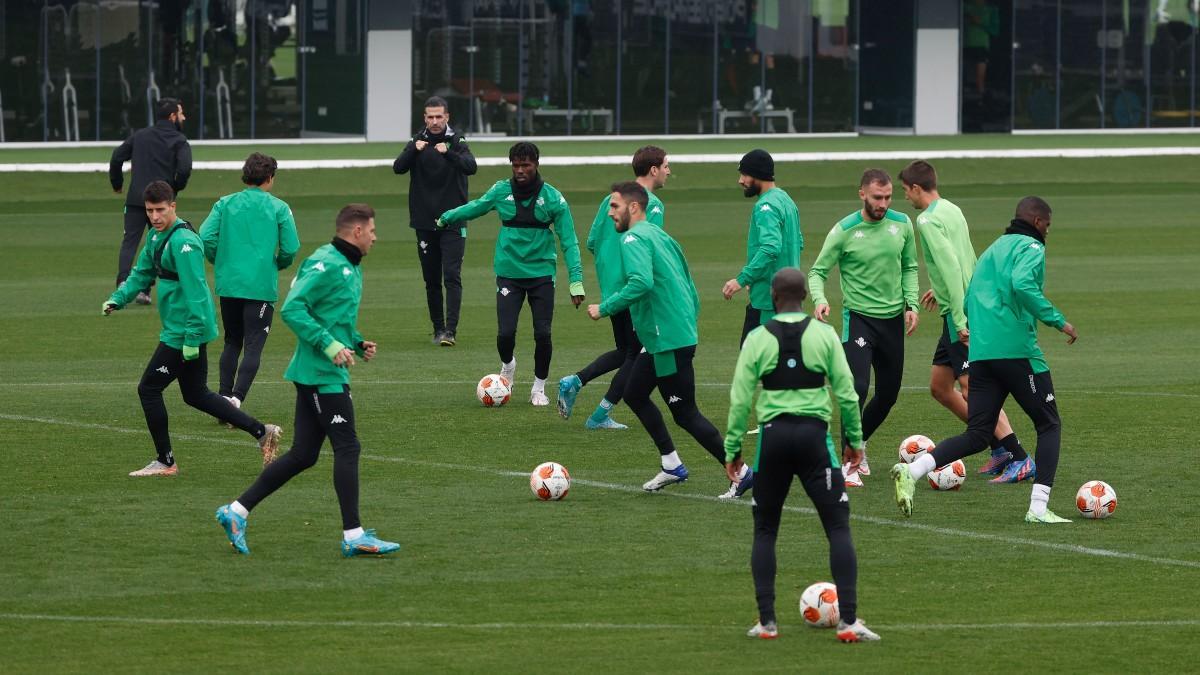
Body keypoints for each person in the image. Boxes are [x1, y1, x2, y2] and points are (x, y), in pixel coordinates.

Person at [215, 204, 402, 556]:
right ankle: (354, 535)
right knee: (348, 447)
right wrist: (329, 345)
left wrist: (355, 342)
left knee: (304, 454)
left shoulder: (349, 264)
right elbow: (293, 308)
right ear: (357, 231)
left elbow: (331, 314)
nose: (375, 237)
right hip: (321, 375)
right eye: (372, 230)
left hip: (321, 371)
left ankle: (236, 511)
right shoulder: (326, 263)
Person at [890, 197, 1078, 523]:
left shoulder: (993, 249)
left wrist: (973, 330)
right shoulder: (1032, 247)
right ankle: (1038, 508)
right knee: (1049, 424)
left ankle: (913, 471)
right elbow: (1022, 285)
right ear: (1037, 222)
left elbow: (970, 293)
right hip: (1018, 353)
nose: (1047, 232)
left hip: (981, 353)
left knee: (978, 434)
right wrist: (1058, 321)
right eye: (1047, 226)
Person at [725, 268, 879, 643]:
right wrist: (855, 441)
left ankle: (767, 622)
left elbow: (740, 398)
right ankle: (849, 622)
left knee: (765, 529)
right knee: (838, 527)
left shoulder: (758, 338)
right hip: (814, 439)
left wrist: (732, 449)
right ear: (805, 298)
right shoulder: (825, 335)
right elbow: (847, 393)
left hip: (773, 439)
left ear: (774, 297)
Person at [102, 181, 282, 477]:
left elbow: (198, 295)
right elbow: (142, 273)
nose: (155, 216)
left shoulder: (184, 243)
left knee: (148, 389)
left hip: (184, 333)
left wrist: (192, 337)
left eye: (160, 210)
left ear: (173, 206)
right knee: (196, 394)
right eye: (150, 211)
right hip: (179, 330)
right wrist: (118, 298)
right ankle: (262, 432)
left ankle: (165, 461)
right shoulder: (156, 236)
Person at [587, 182, 739, 497]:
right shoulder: (660, 235)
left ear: (633, 207)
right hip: (667, 335)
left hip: (666, 339)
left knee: (686, 413)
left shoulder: (632, 238)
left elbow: (641, 282)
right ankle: (671, 464)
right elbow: (687, 280)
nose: (609, 212)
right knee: (634, 393)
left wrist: (604, 308)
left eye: (614, 206)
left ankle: (742, 474)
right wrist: (686, 321)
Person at [899, 160, 1032, 481]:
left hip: (959, 314)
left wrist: (960, 319)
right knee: (940, 387)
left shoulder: (926, 220)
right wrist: (942, 290)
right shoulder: (952, 209)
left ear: (916, 188)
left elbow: (951, 266)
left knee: (973, 388)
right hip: (963, 303)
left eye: (905, 191)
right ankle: (998, 448)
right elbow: (966, 258)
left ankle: (1018, 456)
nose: (905, 197)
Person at [438, 142, 585, 406]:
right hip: (509, 273)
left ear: (536, 164)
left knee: (543, 334)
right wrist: (449, 216)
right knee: (505, 334)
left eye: (525, 165)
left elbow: (569, 241)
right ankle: (508, 365)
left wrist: (576, 281)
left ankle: (539, 388)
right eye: (516, 165)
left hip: (541, 273)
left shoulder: (553, 198)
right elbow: (477, 206)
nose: (520, 170)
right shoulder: (501, 190)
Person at [808, 168, 919, 487]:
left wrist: (911, 304)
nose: (883, 204)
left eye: (888, 197)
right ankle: (848, 464)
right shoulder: (844, 230)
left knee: (888, 394)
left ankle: (859, 443)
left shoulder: (902, 224)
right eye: (877, 198)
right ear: (862, 195)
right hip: (859, 320)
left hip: (892, 321)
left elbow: (910, 266)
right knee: (856, 388)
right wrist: (820, 299)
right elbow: (817, 272)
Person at [557, 146, 670, 429]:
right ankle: (599, 414)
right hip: (634, 290)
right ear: (653, 169)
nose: (669, 172)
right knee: (639, 353)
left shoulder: (611, 199)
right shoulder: (652, 205)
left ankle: (576, 382)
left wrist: (611, 269)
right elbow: (651, 248)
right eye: (666, 166)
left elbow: (592, 241)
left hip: (612, 289)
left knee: (626, 351)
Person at [200, 152, 300, 417]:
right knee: (253, 345)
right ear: (270, 178)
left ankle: (223, 396)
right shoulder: (279, 207)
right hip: (260, 285)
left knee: (232, 341)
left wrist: (219, 259)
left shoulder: (225, 203)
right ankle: (235, 401)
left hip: (230, 283)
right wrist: (278, 264)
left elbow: (205, 236)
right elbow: (291, 247)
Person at [393, 95, 478, 346]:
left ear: (447, 117)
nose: (434, 121)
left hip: (453, 220)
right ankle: (438, 329)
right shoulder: (418, 140)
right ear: (424, 118)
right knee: (431, 280)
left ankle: (450, 331)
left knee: (451, 275)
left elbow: (471, 166)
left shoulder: (456, 140)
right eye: (430, 117)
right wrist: (414, 149)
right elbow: (398, 167)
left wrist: (448, 153)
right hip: (424, 221)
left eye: (439, 116)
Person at [109, 97, 193, 304]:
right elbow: (184, 169)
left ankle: (124, 281)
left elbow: (117, 157)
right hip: (162, 202)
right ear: (172, 116)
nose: (183, 117)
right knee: (159, 242)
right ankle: (144, 290)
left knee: (130, 241)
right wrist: (175, 188)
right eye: (181, 113)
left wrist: (117, 183)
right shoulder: (179, 140)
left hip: (136, 198)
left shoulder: (140, 136)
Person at [722, 149, 802, 345]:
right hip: (789, 298)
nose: (740, 180)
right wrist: (759, 274)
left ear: (758, 174)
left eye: (744, 175)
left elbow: (770, 247)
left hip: (768, 302)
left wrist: (742, 279)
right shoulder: (786, 200)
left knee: (753, 358)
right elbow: (798, 242)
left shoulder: (765, 206)